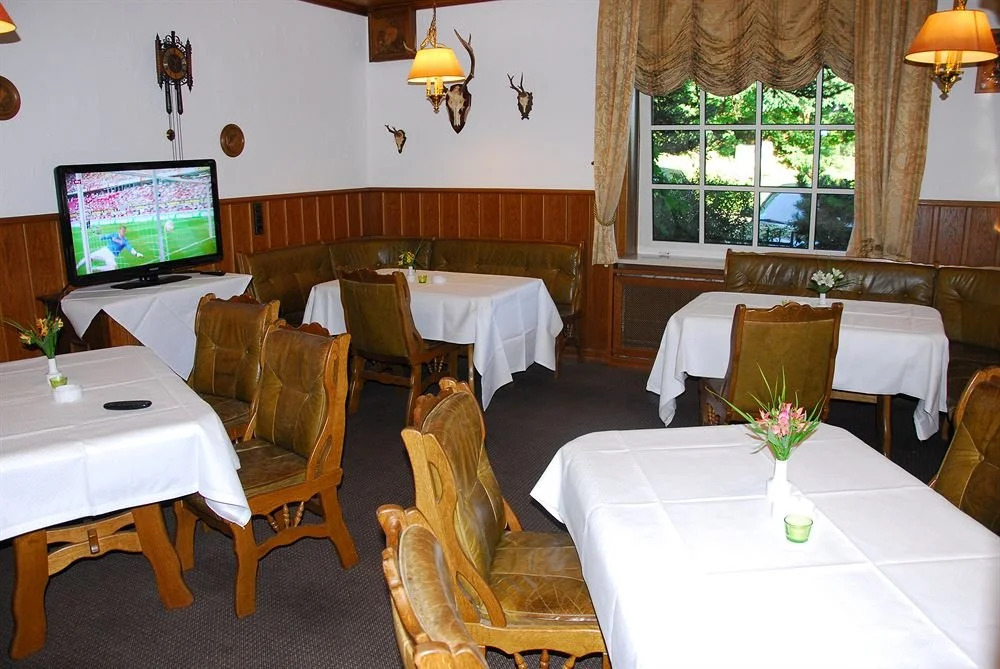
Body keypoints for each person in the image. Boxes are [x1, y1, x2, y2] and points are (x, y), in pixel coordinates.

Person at [76, 225, 143, 271]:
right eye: (122, 230)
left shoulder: (125, 241)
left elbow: (130, 248)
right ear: (119, 230)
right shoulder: (114, 234)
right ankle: (77, 267)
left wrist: (136, 254)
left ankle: (94, 268)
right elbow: (103, 237)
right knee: (89, 257)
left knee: (114, 268)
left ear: (125, 232)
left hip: (111, 255)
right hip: (105, 250)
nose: (123, 232)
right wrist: (99, 234)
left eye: (124, 231)